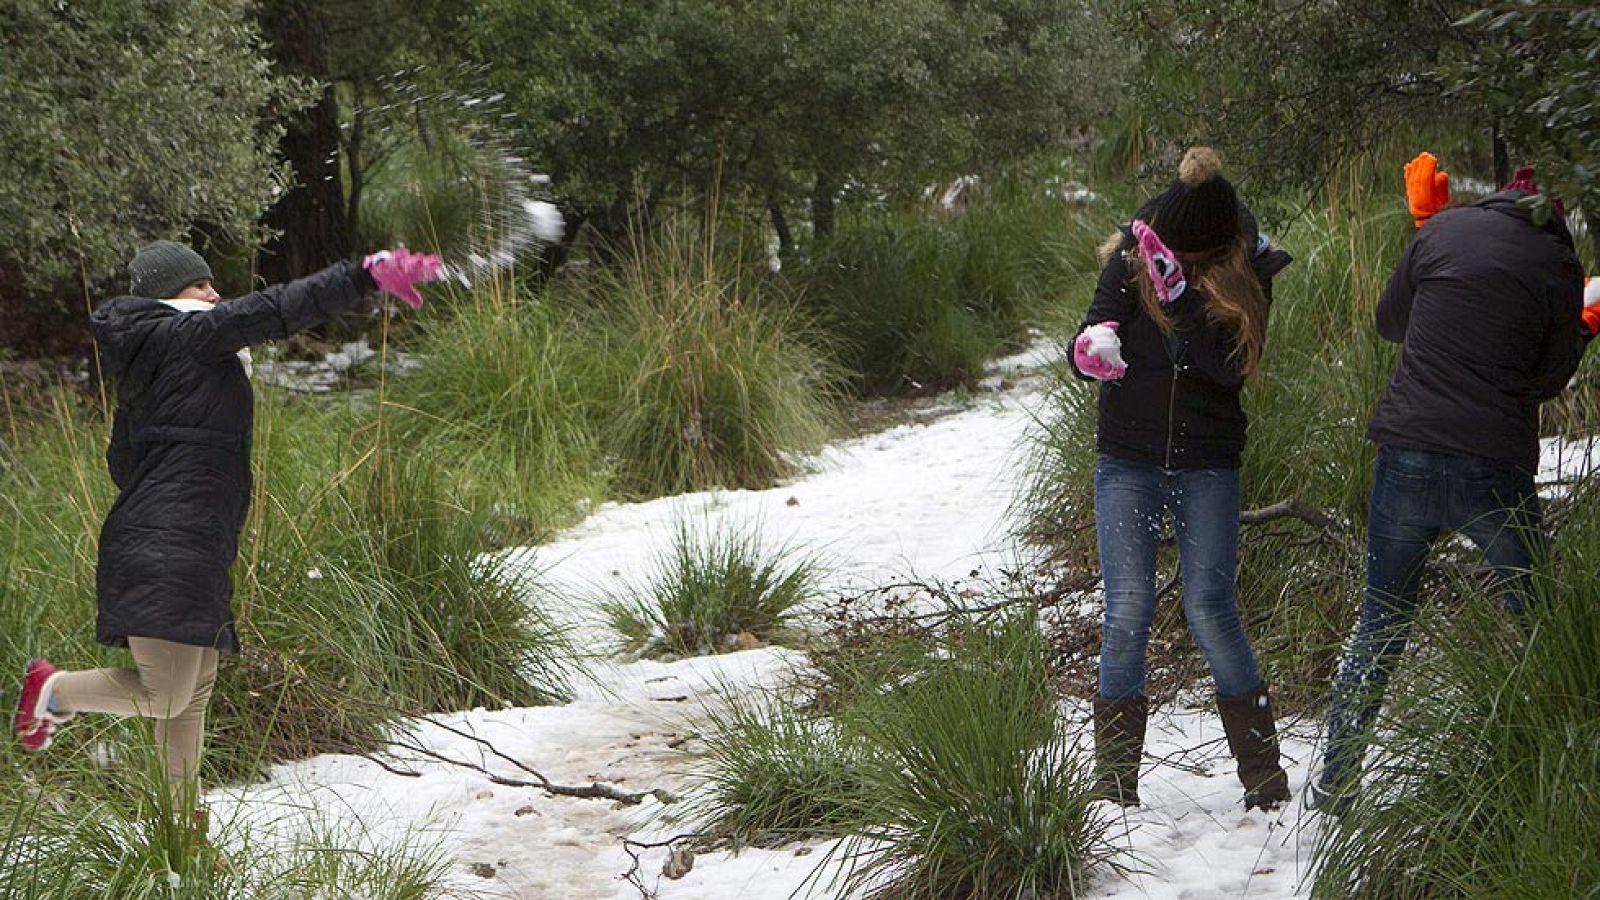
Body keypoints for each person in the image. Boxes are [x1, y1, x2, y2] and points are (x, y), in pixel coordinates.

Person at [13, 239, 442, 818]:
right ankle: (53, 689)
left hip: (184, 538)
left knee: (190, 695)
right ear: (169, 297)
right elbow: (274, 308)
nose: (214, 294)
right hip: (173, 541)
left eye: (213, 284)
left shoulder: (154, 360)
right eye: (199, 286)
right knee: (166, 694)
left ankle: (180, 834)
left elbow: (124, 463)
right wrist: (362, 276)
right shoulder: (189, 336)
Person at [1308, 159, 1593, 814]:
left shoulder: (1442, 231)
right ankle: (1558, 782)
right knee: (1539, 621)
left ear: (1494, 203)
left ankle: (1336, 780)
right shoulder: (1558, 267)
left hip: (1405, 453)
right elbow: (1547, 382)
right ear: (1552, 225)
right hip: (1492, 467)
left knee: (1381, 622)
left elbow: (1390, 322)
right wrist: (1582, 328)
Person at [1071, 146, 1295, 811]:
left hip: (1207, 464)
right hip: (1128, 459)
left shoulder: (1249, 266)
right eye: (1177, 259)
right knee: (1127, 612)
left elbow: (1230, 368)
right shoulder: (1135, 253)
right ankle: (1113, 792)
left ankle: (1264, 780)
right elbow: (1089, 332)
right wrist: (1088, 352)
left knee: (1209, 609)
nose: (1182, 265)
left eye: (1196, 263)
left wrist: (1185, 303)